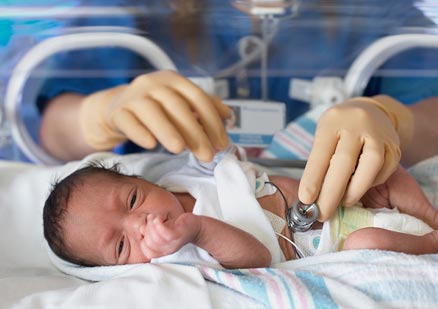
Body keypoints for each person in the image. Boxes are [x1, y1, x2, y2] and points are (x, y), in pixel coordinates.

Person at [12, 0, 436, 222]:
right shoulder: (130, 10)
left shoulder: (376, 12)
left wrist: (391, 117)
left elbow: (431, 114)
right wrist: (100, 114)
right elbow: (44, 130)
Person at [43, 147, 438, 271]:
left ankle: (431, 216)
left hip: (344, 200)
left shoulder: (181, 176)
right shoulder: (177, 258)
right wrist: (197, 229)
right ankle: (431, 242)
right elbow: (256, 257)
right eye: (121, 246)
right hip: (345, 239)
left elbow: (214, 145)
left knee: (383, 170)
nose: (140, 223)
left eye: (131, 200)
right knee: (366, 241)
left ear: (143, 181)